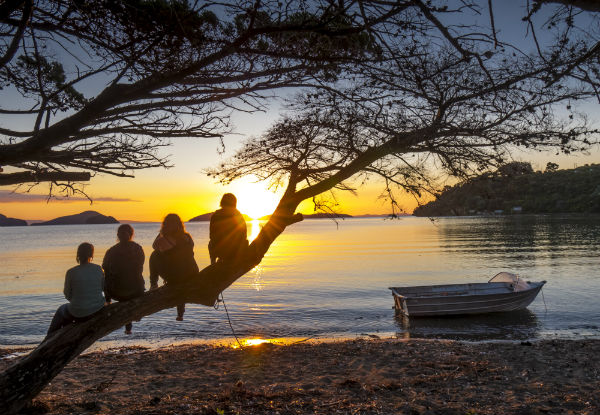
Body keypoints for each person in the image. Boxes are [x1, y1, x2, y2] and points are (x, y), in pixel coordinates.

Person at [47, 242, 105, 336]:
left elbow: (67, 294)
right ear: (91, 255)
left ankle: (50, 337)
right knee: (68, 311)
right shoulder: (98, 269)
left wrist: (77, 301)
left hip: (78, 313)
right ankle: (63, 336)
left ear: (78, 255)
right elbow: (103, 288)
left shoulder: (71, 272)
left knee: (61, 310)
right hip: (97, 310)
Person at [149, 213, 199, 321]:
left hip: (177, 277)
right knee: (180, 274)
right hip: (192, 273)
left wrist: (162, 233)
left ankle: (153, 284)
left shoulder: (167, 239)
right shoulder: (187, 237)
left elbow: (154, 246)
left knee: (154, 255)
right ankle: (180, 313)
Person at [102, 224, 145, 334]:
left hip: (116, 292)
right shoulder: (138, 248)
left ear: (118, 235)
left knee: (106, 276)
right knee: (133, 279)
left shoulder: (111, 251)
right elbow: (139, 269)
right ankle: (130, 323)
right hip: (136, 290)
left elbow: (105, 270)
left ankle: (108, 301)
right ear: (131, 235)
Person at [208, 193, 248, 264]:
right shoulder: (239, 215)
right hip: (238, 251)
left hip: (222, 252)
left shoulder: (215, 216)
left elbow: (212, 236)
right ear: (235, 203)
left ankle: (213, 262)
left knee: (210, 243)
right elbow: (244, 234)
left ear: (222, 202)